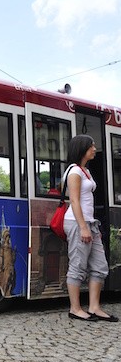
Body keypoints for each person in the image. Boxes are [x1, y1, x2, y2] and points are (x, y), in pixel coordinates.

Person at [64, 134, 118, 322]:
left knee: (100, 266)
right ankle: (75, 308)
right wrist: (83, 227)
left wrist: (89, 226)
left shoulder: (85, 170)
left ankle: (94, 307)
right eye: (91, 146)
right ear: (82, 148)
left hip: (90, 223)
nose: (95, 149)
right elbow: (74, 201)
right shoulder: (74, 172)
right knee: (78, 265)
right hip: (78, 223)